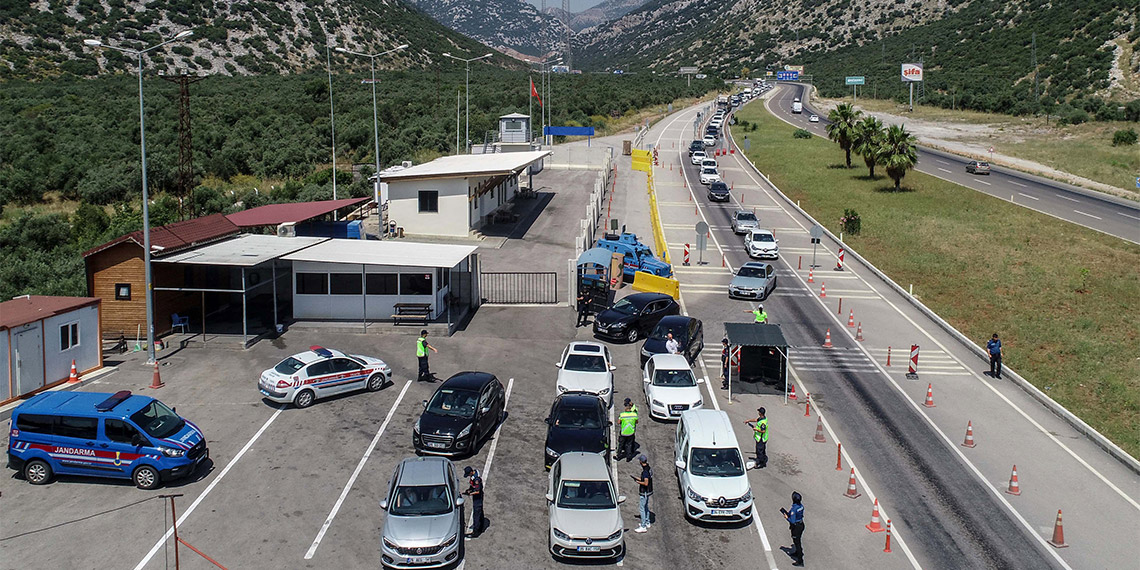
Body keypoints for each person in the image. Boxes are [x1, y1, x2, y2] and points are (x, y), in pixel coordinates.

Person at [780, 491, 805, 566]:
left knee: (797, 542)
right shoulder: (801, 506)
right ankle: (797, 552)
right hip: (801, 525)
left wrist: (787, 517)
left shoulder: (794, 509)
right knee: (797, 540)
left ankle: (800, 560)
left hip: (796, 527)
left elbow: (792, 521)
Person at [632, 455, 653, 533]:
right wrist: (638, 478)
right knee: (646, 507)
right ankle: (647, 522)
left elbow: (646, 483)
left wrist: (638, 482)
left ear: (641, 461)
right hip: (648, 492)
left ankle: (643, 526)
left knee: (642, 509)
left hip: (644, 492)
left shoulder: (645, 472)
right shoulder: (649, 468)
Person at [462, 466, 484, 539]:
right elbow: (473, 486)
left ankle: (476, 531)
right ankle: (481, 525)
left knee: (476, 513)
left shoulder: (476, 479)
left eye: (468, 474)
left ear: (471, 472)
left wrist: (470, 494)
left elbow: (477, 491)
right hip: (477, 496)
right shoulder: (474, 474)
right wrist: (470, 489)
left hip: (478, 498)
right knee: (480, 511)